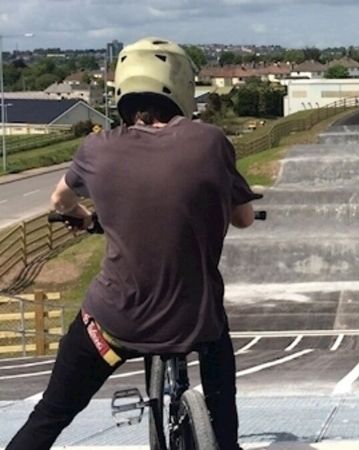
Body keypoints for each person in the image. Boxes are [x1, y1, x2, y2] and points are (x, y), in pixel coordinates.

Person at [6, 37, 259, 450]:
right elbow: (244, 218)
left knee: (52, 413)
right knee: (220, 384)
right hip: (195, 321)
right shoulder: (211, 142)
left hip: (114, 326)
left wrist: (86, 219)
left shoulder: (96, 148)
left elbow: (59, 200)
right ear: (180, 88)